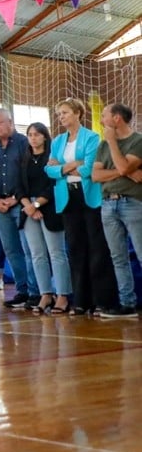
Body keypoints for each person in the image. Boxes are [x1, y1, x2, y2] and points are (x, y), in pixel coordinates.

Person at [45, 98, 119, 317]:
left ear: (78, 113)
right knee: (75, 249)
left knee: (97, 248)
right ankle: (81, 301)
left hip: (88, 197)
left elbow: (88, 169)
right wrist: (71, 166)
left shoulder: (91, 137)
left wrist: (62, 168)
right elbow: (48, 170)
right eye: (59, 114)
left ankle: (101, 300)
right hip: (67, 198)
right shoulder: (57, 141)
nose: (62, 117)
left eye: (65, 112)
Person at [0, 108, 39, 310]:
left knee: (29, 249)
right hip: (1, 207)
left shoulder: (25, 144)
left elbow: (30, 175)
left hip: (22, 204)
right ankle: (22, 290)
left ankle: (36, 292)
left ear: (10, 122)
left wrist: (17, 198)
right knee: (11, 250)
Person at [92, 104, 142, 319]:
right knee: (118, 257)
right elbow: (95, 175)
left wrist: (113, 141)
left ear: (117, 118)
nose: (102, 121)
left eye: (104, 116)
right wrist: (126, 173)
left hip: (133, 203)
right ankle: (127, 303)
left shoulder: (137, 141)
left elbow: (123, 166)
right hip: (108, 204)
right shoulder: (102, 145)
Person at [17, 123, 71, 315]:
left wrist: (37, 205)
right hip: (28, 209)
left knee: (56, 252)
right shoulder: (23, 159)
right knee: (37, 254)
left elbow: (54, 184)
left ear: (45, 137)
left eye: (37, 135)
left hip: (49, 207)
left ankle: (63, 295)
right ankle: (45, 294)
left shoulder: (52, 159)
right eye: (30, 135)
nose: (33, 138)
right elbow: (18, 187)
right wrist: (28, 207)